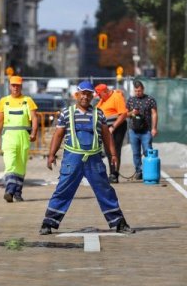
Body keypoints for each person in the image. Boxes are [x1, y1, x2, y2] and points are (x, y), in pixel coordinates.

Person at [40, 80, 133, 235]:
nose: (85, 97)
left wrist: (113, 154)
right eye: (82, 93)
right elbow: (58, 135)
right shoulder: (66, 113)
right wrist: (51, 155)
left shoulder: (99, 113)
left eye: (88, 94)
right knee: (63, 190)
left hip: (94, 160)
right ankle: (48, 223)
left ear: (92, 96)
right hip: (72, 160)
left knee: (105, 190)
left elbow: (107, 135)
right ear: (77, 94)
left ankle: (119, 223)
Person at [0, 76, 38, 202]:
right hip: (8, 137)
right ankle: (9, 191)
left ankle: (17, 192)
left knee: (21, 166)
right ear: (10, 86)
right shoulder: (4, 101)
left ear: (21, 86)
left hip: (23, 137)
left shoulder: (27, 101)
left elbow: (34, 118)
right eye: (13, 85)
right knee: (10, 164)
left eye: (18, 85)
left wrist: (34, 133)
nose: (15, 88)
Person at [94, 83, 128, 183]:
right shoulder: (102, 101)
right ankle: (112, 172)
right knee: (108, 151)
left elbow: (123, 114)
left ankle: (114, 174)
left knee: (115, 150)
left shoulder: (116, 97)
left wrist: (113, 127)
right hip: (106, 128)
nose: (99, 96)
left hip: (117, 127)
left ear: (105, 92)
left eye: (99, 94)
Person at [126, 79, 158, 180]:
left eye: (139, 90)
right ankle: (139, 171)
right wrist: (132, 113)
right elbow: (125, 114)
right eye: (136, 91)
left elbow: (154, 113)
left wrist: (154, 128)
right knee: (135, 153)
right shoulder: (131, 100)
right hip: (133, 131)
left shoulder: (150, 99)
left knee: (147, 151)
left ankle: (150, 170)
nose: (137, 93)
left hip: (146, 131)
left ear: (143, 89)